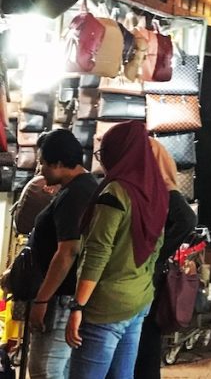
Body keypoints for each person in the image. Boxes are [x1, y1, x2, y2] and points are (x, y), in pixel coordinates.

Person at [66, 121, 168, 379]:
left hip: (106, 308)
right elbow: (155, 246)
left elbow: (97, 254)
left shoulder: (114, 194)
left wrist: (77, 306)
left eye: (104, 152)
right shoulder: (154, 190)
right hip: (138, 298)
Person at [26, 130, 98, 379]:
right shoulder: (81, 188)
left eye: (43, 163)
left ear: (58, 164)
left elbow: (68, 251)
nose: (40, 169)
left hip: (61, 297)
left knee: (45, 370)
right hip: (64, 295)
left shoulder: (76, 195)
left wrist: (42, 300)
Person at [134, 139, 198, 379]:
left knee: (146, 341)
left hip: (148, 278)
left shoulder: (161, 188)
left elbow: (186, 220)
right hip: (147, 277)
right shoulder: (150, 188)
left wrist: (155, 255)